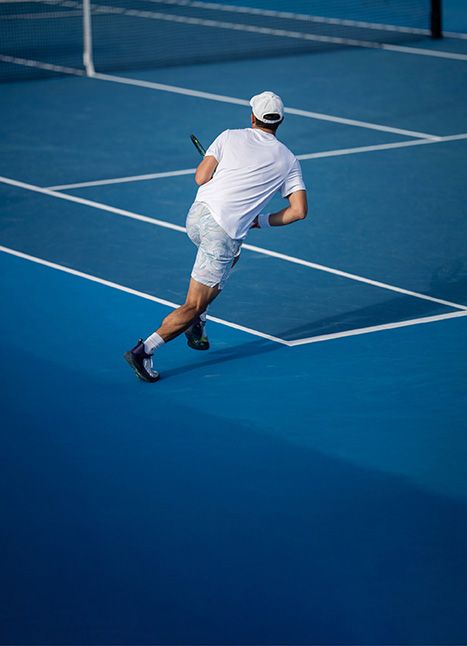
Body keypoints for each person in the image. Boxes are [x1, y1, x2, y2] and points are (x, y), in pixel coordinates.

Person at [124, 91, 308, 382]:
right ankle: (144, 350)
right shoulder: (288, 160)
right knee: (193, 304)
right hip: (222, 233)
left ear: (253, 117)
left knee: (232, 255)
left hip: (197, 218)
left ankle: (198, 319)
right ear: (280, 121)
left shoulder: (228, 136)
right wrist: (260, 221)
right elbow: (298, 211)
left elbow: (201, 178)